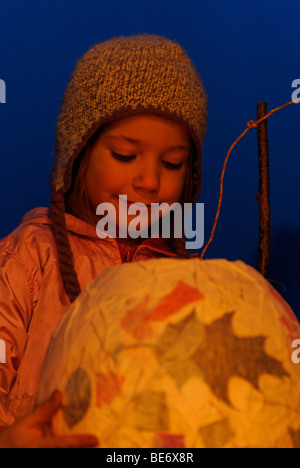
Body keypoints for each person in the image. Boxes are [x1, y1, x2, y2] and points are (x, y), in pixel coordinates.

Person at [0, 34, 207, 447]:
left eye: (171, 163)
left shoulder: (191, 285)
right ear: (77, 154)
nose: (149, 181)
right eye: (125, 156)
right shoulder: (28, 260)